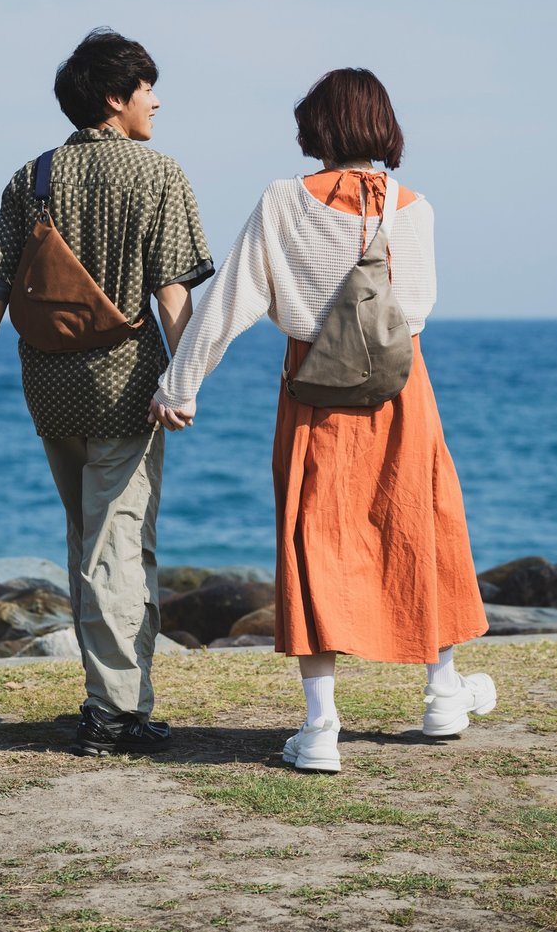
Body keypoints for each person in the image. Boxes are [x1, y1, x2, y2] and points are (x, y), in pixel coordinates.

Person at [149, 67, 494, 772]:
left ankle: (322, 728)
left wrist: (180, 384)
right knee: (423, 525)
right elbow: (418, 309)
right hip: (403, 391)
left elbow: (231, 303)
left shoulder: (285, 201)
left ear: (320, 127)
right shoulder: (414, 206)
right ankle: (441, 694)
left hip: (316, 389)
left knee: (316, 543)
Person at [0, 28, 214, 756]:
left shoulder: (32, 177)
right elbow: (171, 296)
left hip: (49, 386)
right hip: (126, 386)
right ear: (113, 98)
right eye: (146, 89)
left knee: (92, 541)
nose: (156, 101)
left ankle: (118, 701)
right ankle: (112, 712)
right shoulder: (159, 175)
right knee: (119, 546)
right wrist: (185, 378)